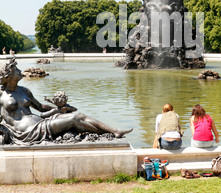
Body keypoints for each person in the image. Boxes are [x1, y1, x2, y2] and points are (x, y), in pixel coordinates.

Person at [0, 58, 133, 146]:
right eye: (16, 69)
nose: (20, 71)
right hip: (28, 131)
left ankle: (114, 131)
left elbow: (40, 107)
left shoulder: (24, 90)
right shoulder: (1, 95)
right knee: (75, 119)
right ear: (8, 75)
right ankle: (108, 134)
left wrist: (58, 109)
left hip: (40, 122)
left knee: (79, 115)